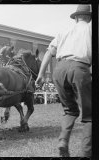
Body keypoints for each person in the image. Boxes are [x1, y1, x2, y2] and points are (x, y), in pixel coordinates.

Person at [35, 5, 91, 157]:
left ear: (77, 17)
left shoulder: (64, 31)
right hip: (79, 68)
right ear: (89, 17)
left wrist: (40, 74)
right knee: (89, 115)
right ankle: (87, 153)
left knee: (69, 110)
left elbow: (48, 53)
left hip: (59, 70)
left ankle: (63, 141)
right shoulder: (91, 30)